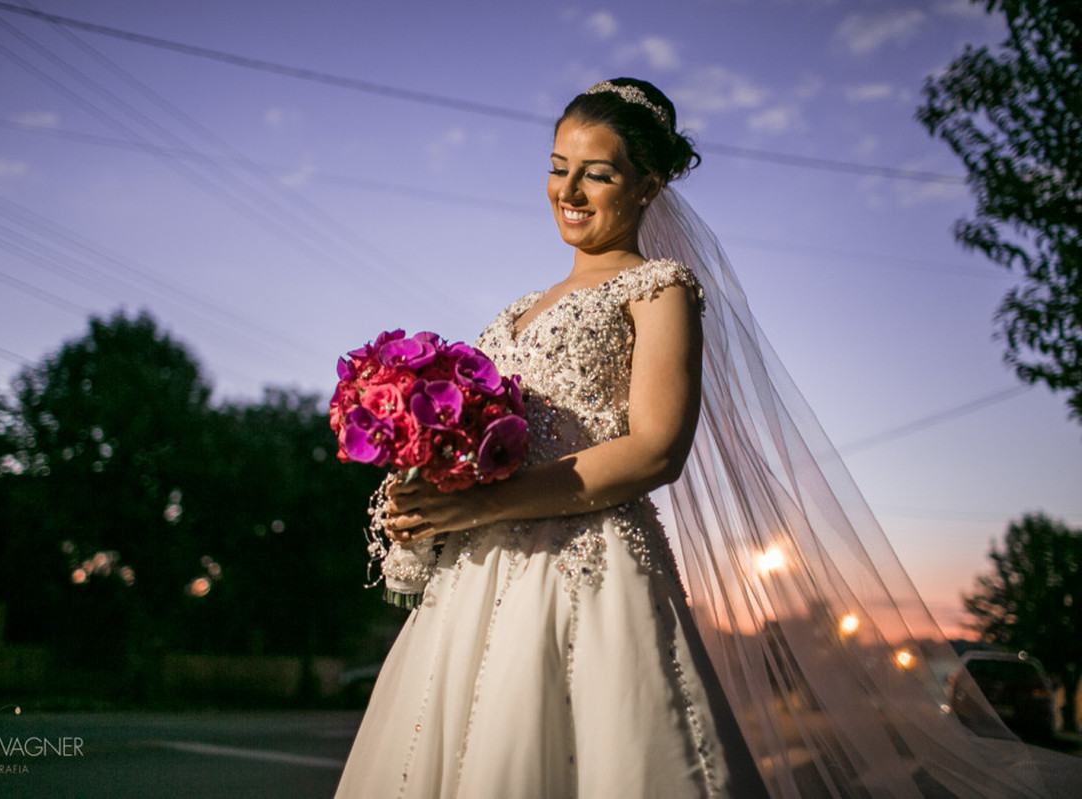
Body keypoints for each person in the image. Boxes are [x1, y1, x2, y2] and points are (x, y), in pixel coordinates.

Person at [334, 79, 1047, 799]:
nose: (569, 189)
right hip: (478, 577)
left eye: (598, 173)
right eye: (558, 165)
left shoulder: (659, 288)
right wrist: (433, 481)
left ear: (648, 186)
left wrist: (481, 506)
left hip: (586, 568)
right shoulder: (516, 310)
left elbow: (656, 450)